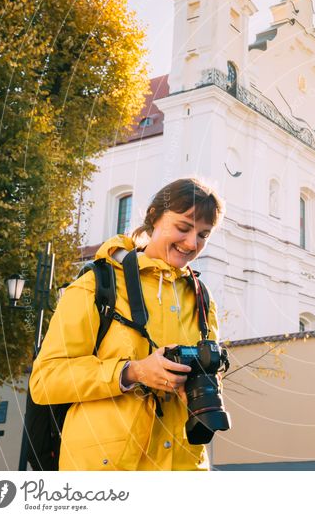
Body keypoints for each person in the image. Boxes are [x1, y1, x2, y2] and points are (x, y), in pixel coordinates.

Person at [30, 177, 225, 471]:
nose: (191, 243)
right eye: (183, 228)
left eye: (204, 235)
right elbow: (45, 380)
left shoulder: (201, 298)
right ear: (153, 217)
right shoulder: (99, 284)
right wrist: (132, 372)